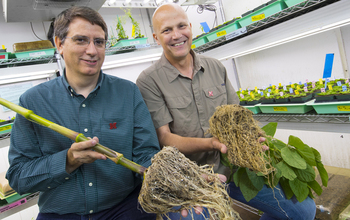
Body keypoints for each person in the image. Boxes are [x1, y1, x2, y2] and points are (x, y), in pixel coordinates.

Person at [136, 3, 317, 220]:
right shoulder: (149, 81)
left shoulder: (215, 67)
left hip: (234, 169)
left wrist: (254, 138)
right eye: (167, 30)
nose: (176, 35)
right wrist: (213, 143)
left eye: (181, 26)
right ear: (156, 37)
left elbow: (238, 116)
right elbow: (164, 137)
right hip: (191, 178)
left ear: (191, 27)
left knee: (303, 211)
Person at [6, 6, 160, 220]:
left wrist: (172, 184)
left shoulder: (128, 93)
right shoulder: (32, 102)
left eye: (99, 42)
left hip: (124, 208)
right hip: (61, 213)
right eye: (81, 40)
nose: (92, 50)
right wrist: (68, 160)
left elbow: (146, 155)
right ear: (59, 44)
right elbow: (18, 177)